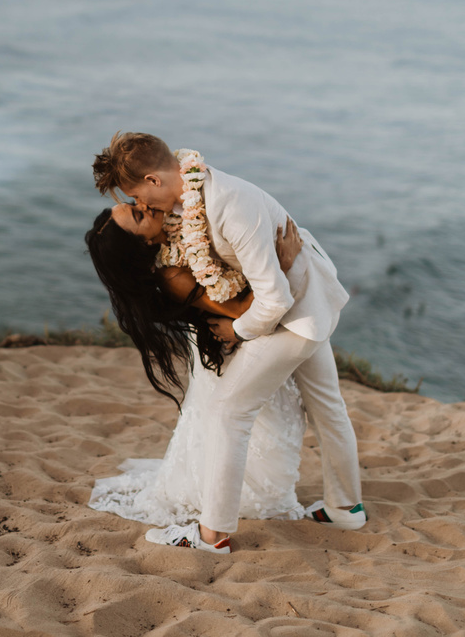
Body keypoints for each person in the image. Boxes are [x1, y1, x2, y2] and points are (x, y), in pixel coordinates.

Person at [92, 133, 365, 554]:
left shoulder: (227, 204)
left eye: (135, 196)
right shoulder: (190, 202)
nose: (140, 205)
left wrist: (237, 331)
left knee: (228, 412)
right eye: (134, 207)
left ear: (153, 179)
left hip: (295, 315)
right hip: (305, 303)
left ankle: (212, 535)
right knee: (327, 407)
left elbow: (271, 298)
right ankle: (346, 509)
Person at [85, 203, 308, 531]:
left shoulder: (177, 226)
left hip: (242, 337)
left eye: (133, 204)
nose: (144, 206)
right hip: (232, 340)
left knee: (262, 421)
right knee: (249, 422)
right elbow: (239, 308)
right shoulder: (172, 274)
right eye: (137, 215)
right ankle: (229, 505)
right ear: (142, 244)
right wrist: (282, 264)